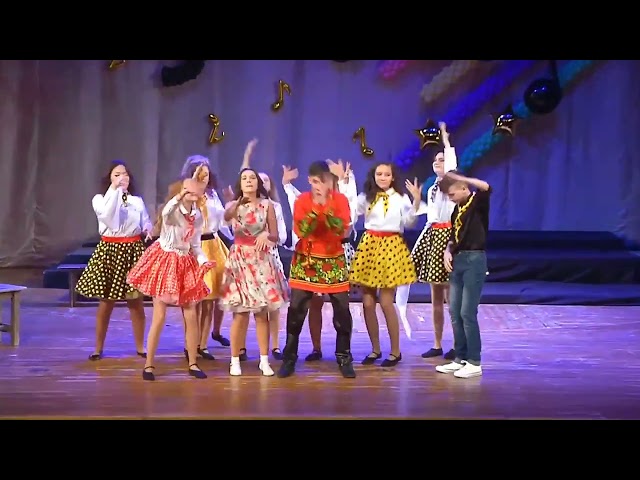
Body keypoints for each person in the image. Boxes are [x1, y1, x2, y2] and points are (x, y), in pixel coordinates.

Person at [127, 173, 215, 381]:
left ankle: (192, 362)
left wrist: (203, 261)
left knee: (191, 314)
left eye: (193, 188)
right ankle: (149, 364)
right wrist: (180, 196)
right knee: (159, 316)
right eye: (186, 188)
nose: (190, 191)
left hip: (184, 262)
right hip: (165, 261)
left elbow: (195, 245)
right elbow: (167, 213)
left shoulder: (198, 215)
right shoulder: (173, 209)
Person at [277, 161, 355, 379]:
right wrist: (314, 210)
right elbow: (301, 230)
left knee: (342, 311)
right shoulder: (302, 200)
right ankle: (289, 358)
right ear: (310, 181)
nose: (318, 186)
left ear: (330, 181)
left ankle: (344, 357)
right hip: (307, 260)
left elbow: (341, 229)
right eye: (314, 182)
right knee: (296, 311)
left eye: (322, 181)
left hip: (333, 259)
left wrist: (326, 209)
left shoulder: (340, 200)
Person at [76, 160, 153, 361]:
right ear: (109, 178)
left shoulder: (136, 201)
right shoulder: (100, 199)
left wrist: (147, 227)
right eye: (117, 175)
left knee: (136, 302)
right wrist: (116, 191)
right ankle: (98, 347)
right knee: (106, 303)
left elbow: (145, 220)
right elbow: (108, 217)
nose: (122, 178)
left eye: (124, 174)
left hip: (133, 250)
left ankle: (140, 346)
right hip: (110, 251)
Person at [349, 162, 424, 367]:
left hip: (391, 246)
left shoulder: (400, 198)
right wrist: (346, 182)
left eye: (386, 174)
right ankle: (375, 349)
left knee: (386, 302)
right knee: (367, 302)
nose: (382, 177)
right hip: (370, 246)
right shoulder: (366, 197)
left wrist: (416, 201)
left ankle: (395, 351)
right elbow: (351, 214)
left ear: (393, 177)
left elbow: (409, 222)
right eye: (379, 174)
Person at [396, 122, 457, 360]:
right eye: (435, 160)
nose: (438, 162)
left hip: (447, 238)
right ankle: (437, 343)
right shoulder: (433, 187)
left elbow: (451, 166)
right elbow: (429, 214)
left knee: (451, 298)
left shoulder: (450, 182)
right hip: (433, 236)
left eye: (442, 160)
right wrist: (416, 199)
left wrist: (446, 140)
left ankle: (458, 343)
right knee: (435, 296)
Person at [219, 167, 288, 377]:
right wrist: (236, 202)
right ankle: (234, 360)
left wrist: (267, 236)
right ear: (240, 184)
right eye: (244, 178)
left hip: (261, 260)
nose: (249, 181)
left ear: (258, 182)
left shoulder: (267, 205)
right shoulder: (234, 205)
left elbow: (276, 235)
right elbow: (226, 218)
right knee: (240, 314)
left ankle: (264, 360)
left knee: (261, 314)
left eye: (252, 178)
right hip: (240, 260)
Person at [234, 139, 288, 361]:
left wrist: (268, 237)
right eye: (257, 178)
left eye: (263, 180)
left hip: (268, 258)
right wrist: (247, 155)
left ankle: (274, 346)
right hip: (245, 259)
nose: (257, 182)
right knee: (244, 305)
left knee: (271, 307)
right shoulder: (240, 206)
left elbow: (281, 235)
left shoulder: (273, 207)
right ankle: (241, 348)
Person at [435, 170, 491, 379]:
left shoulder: (477, 202)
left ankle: (474, 361)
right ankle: (460, 357)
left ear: (463, 187)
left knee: (467, 312)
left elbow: (486, 187)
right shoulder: (456, 209)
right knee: (455, 311)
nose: (450, 198)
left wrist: (462, 178)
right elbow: (453, 235)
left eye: (452, 194)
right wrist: (447, 251)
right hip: (458, 260)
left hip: (474, 260)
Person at [178, 156, 231, 362]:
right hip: (196, 247)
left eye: (206, 174)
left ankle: (203, 344)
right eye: (200, 174)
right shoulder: (188, 196)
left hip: (214, 245)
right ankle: (189, 343)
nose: (204, 178)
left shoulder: (213, 194)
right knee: (194, 300)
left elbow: (222, 222)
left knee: (210, 300)